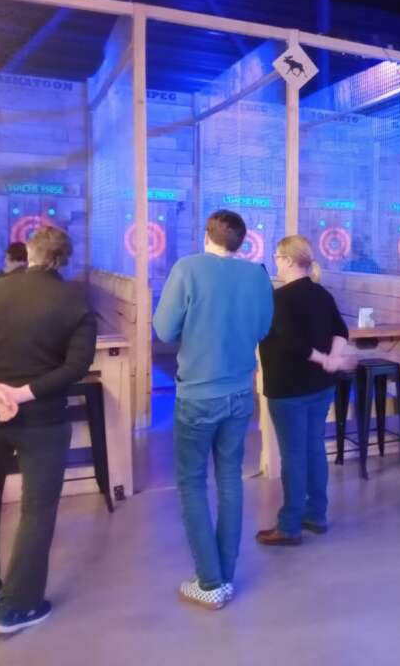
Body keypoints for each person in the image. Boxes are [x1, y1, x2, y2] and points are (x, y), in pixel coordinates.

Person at [0, 227, 96, 635]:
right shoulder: (74, 302)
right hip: (42, 420)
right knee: (37, 509)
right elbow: (76, 366)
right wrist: (22, 393)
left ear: (29, 253)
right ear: (65, 258)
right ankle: (18, 607)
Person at [153, 210, 274, 610]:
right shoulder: (257, 275)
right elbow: (263, 328)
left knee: (191, 483)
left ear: (205, 236)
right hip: (240, 393)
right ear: (241, 242)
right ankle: (225, 574)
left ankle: (209, 582)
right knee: (230, 479)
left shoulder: (187, 269)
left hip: (197, 396)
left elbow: (164, 330)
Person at [257, 236, 352, 547]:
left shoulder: (279, 299)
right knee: (314, 449)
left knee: (293, 455)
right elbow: (341, 330)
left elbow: (291, 342)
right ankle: (316, 514)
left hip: (288, 388)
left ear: (287, 260)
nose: (275, 261)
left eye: (276, 256)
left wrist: (324, 359)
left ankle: (289, 525)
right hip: (320, 387)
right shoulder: (321, 293)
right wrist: (333, 359)